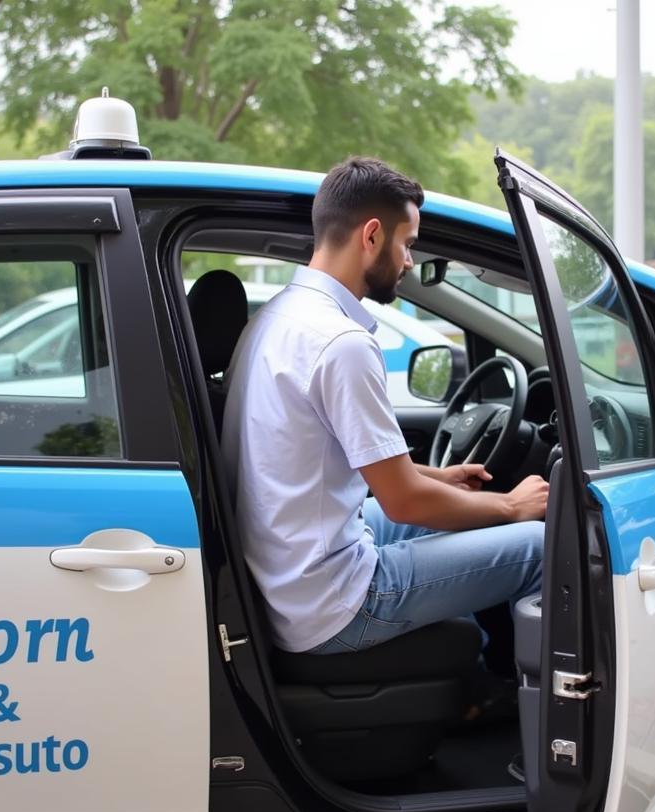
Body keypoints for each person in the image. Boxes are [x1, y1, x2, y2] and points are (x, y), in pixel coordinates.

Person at [221, 156, 547, 659]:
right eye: (408, 244)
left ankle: (478, 674)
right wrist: (511, 507)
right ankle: (518, 704)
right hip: (336, 602)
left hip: (289, 575)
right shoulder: (341, 342)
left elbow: (346, 461)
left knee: (467, 514)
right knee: (540, 546)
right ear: (372, 235)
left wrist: (439, 478)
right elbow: (404, 503)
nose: (410, 262)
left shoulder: (276, 318)